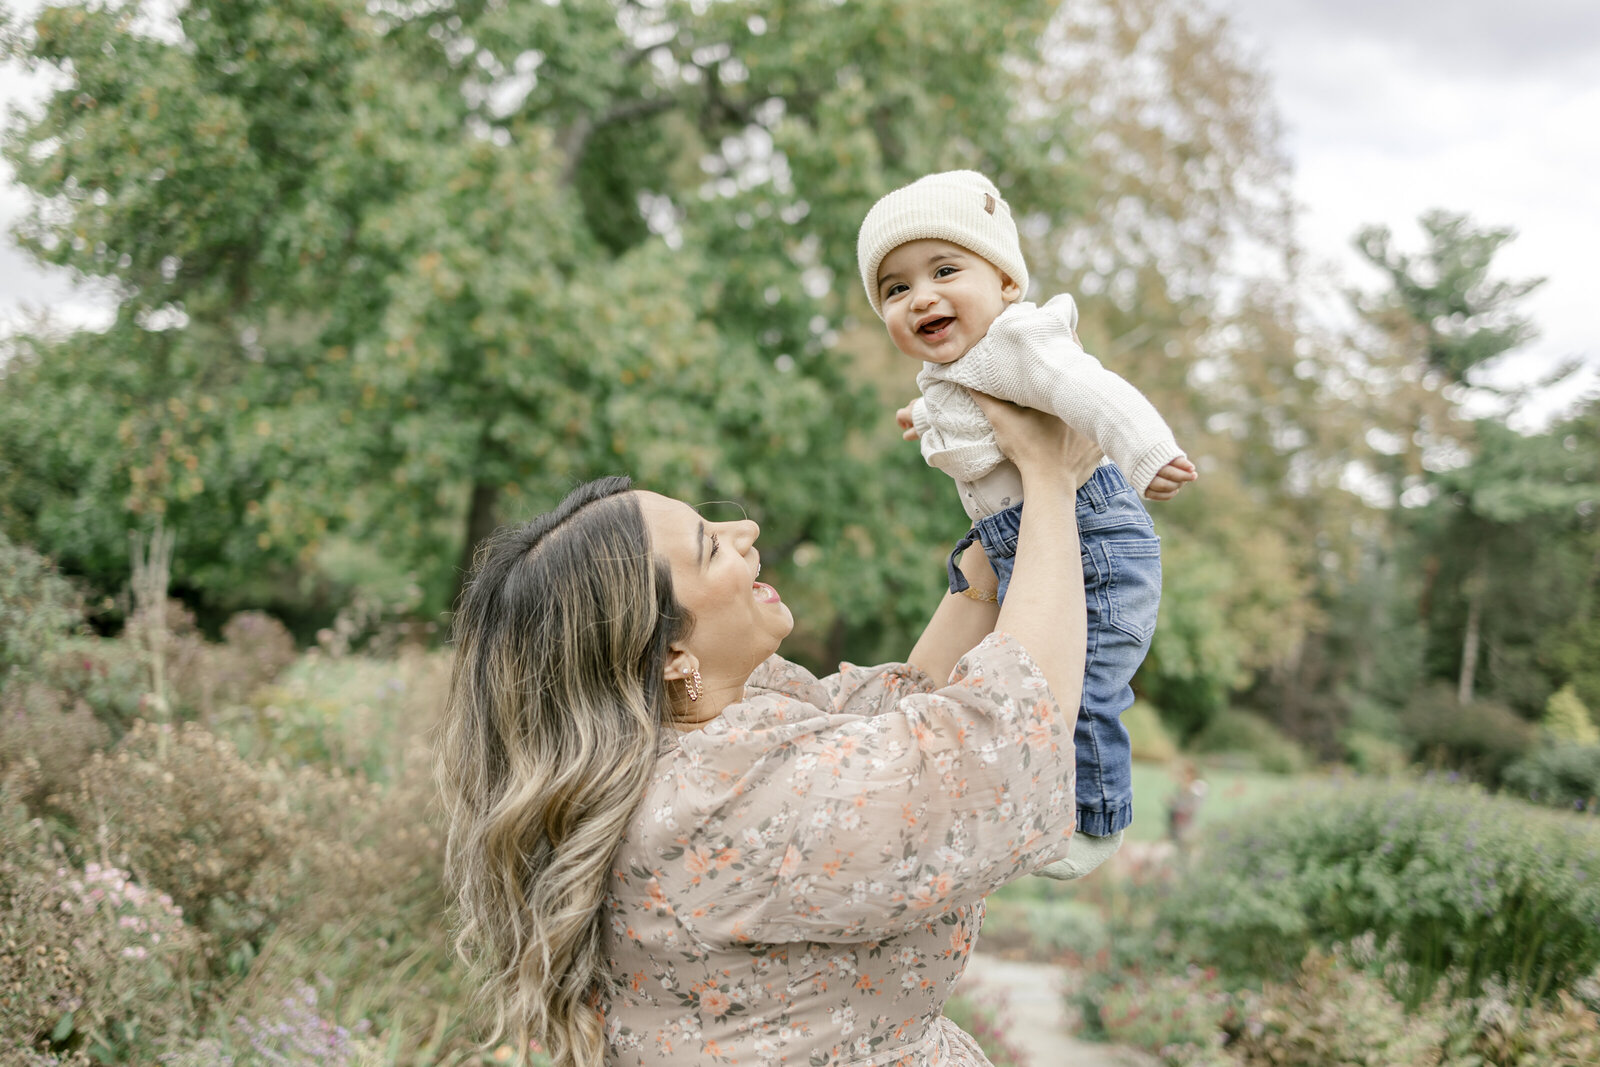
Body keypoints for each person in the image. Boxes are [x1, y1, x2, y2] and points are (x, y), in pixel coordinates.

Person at [438, 397, 1102, 1067]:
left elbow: (896, 719)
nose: (746, 528)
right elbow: (1005, 738)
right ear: (671, 654)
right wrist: (1049, 477)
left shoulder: (706, 742)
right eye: (710, 545)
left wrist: (999, 518)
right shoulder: (719, 799)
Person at [856, 170, 1198, 880]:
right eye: (895, 288)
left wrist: (1146, 451)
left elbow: (1091, 391)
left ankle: (1097, 817)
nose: (920, 295)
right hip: (1028, 548)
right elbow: (968, 414)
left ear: (1007, 283)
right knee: (1017, 685)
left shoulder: (1021, 341)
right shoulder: (954, 370)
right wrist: (920, 418)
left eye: (945, 269)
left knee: (1084, 686)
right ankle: (1037, 803)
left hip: (1094, 539)